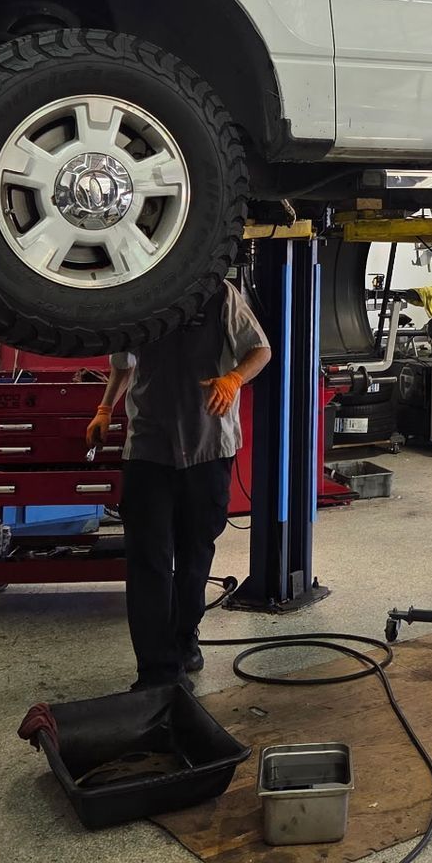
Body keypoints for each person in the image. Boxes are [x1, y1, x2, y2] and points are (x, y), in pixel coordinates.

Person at [86, 277, 272, 689]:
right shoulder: (137, 297)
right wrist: (104, 409)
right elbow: (122, 363)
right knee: (148, 560)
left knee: (195, 555)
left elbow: (260, 350)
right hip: (149, 448)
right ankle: (154, 671)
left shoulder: (219, 293)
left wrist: (234, 379)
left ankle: (185, 636)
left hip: (209, 447)